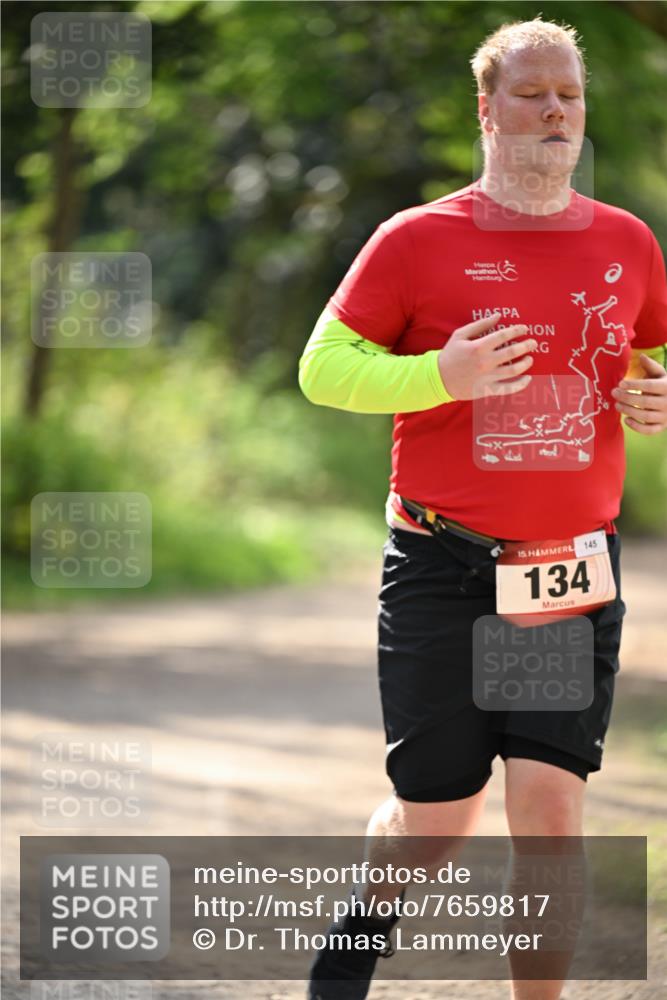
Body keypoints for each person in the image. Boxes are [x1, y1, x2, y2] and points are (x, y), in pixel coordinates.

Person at [298, 16, 667, 1000]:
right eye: (531, 94)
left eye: (568, 96)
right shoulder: (416, 239)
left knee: (547, 813)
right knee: (434, 822)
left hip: (561, 570)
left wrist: (656, 391)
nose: (554, 111)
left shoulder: (626, 241)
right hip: (441, 561)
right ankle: (356, 938)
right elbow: (322, 368)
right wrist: (440, 374)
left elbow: (649, 350)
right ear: (487, 110)